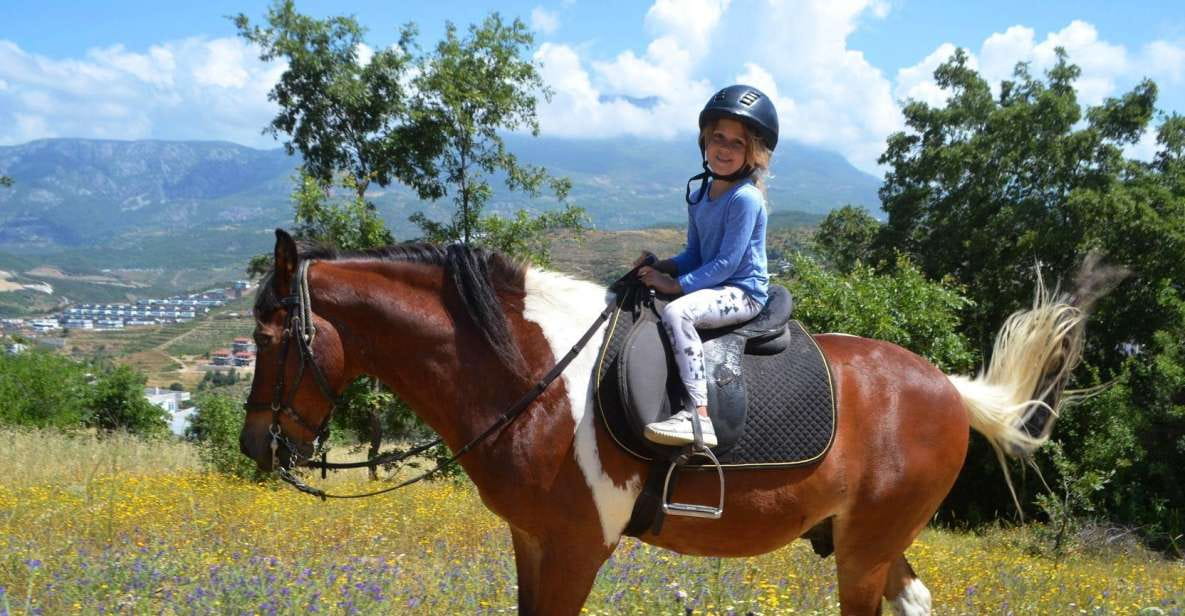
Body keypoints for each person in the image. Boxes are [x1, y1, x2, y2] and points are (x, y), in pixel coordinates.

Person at [634, 84, 778, 448]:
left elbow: (728, 263)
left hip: (742, 292)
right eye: (719, 138)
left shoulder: (745, 199)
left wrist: (675, 286)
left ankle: (697, 417)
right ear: (704, 141)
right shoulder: (700, 194)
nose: (724, 149)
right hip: (717, 282)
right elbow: (695, 254)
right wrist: (661, 265)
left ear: (754, 153)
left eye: (737, 143)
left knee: (678, 313)